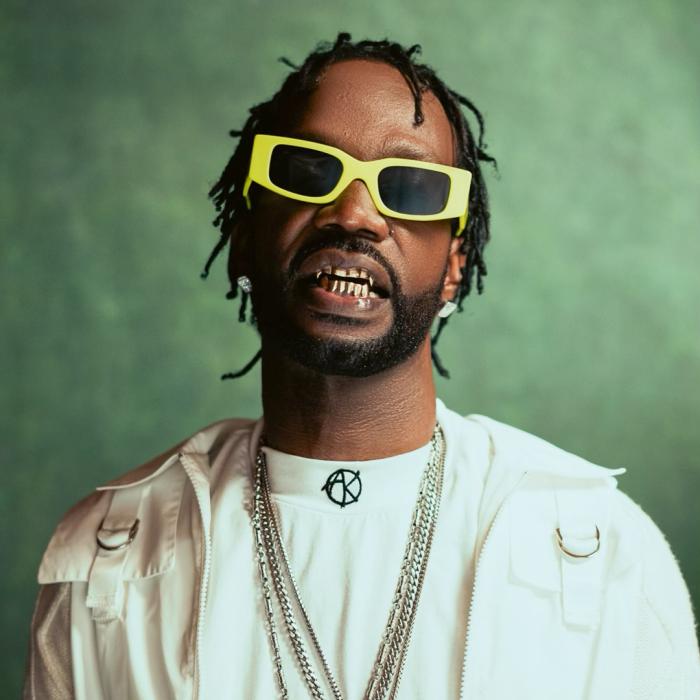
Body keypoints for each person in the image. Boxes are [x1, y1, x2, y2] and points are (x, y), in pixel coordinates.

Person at [24, 34, 700, 700]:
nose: (354, 214)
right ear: (243, 238)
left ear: (454, 265)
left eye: (410, 187)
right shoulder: (108, 558)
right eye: (307, 171)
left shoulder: (602, 552)